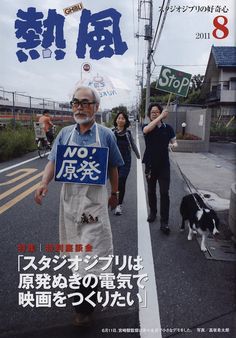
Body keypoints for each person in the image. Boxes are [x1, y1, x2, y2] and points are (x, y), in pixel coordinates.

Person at [34, 86, 124, 326]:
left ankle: (83, 308)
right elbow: (53, 161)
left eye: (85, 102)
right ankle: (88, 295)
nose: (80, 107)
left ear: (96, 107)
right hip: (70, 203)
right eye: (76, 102)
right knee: (77, 253)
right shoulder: (64, 134)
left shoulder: (105, 135)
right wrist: (44, 183)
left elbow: (114, 166)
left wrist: (114, 193)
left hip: (94, 205)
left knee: (90, 251)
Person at [142, 103, 177, 234]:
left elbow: (174, 140)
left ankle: (164, 222)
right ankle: (153, 212)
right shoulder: (146, 126)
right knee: (151, 191)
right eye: (152, 112)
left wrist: (174, 145)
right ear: (149, 115)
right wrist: (160, 117)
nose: (154, 114)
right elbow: (146, 131)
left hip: (164, 165)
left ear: (162, 113)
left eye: (157, 112)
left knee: (164, 193)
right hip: (150, 164)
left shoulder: (168, 128)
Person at [112, 112, 140, 215]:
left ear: (125, 121)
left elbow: (133, 144)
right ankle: (115, 198)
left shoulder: (128, 133)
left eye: (123, 118)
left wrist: (138, 156)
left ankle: (119, 205)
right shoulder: (111, 132)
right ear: (116, 120)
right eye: (119, 118)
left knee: (121, 181)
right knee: (115, 183)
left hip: (125, 161)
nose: (120, 120)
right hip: (114, 161)